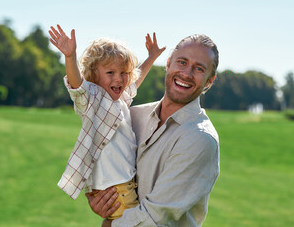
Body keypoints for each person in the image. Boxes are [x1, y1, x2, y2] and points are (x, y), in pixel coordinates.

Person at [86, 34, 220, 226]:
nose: (187, 73)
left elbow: (156, 216)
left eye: (199, 69)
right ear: (168, 64)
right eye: (182, 62)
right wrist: (98, 196)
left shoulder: (200, 139)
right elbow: (103, 157)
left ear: (209, 81)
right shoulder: (133, 116)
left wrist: (110, 224)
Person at [48, 24, 165, 219]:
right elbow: (77, 85)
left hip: (126, 183)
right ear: (94, 75)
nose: (119, 79)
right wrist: (70, 57)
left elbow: (136, 80)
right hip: (116, 188)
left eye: (123, 72)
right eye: (110, 73)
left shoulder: (120, 100)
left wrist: (152, 56)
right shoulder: (93, 100)